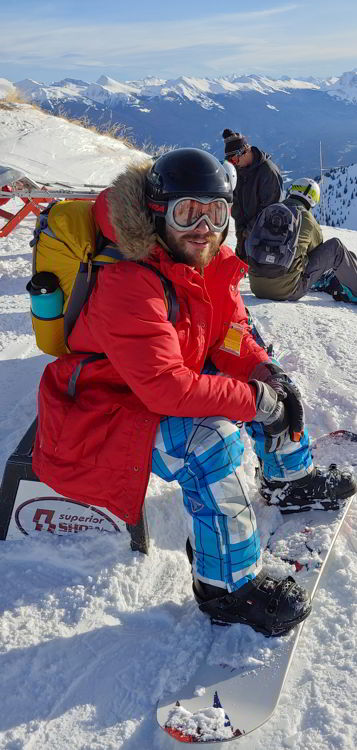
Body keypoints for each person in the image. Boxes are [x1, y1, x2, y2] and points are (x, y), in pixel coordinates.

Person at [32, 149, 356, 637]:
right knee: (212, 442)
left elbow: (228, 329)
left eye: (216, 212)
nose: (203, 226)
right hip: (107, 406)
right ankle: (226, 589)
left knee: (273, 384)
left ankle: (289, 478)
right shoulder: (128, 279)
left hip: (159, 383)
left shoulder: (209, 258)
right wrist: (253, 402)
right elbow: (165, 389)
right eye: (188, 211)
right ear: (158, 212)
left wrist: (260, 370)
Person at [248, 178, 357, 302]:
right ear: (312, 199)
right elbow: (316, 250)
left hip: (256, 286)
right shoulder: (307, 218)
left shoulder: (270, 211)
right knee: (336, 247)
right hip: (288, 290)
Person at [222, 128, 283, 260]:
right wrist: (241, 230)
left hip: (263, 237)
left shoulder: (268, 172)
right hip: (244, 233)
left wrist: (248, 231)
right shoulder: (239, 170)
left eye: (233, 161)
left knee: (257, 272)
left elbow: (271, 210)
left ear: (243, 152)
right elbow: (236, 201)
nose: (234, 165)